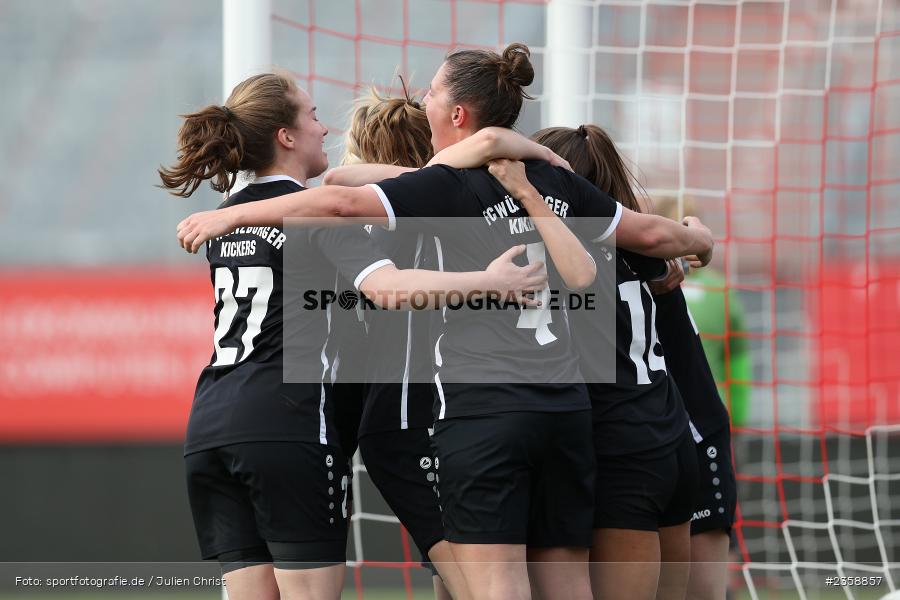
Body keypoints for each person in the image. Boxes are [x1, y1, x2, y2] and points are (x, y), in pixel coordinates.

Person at [175, 44, 714, 600]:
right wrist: (697, 238)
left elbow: (349, 194)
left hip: (405, 413)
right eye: (312, 116)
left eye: (432, 93)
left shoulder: (427, 193)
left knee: (487, 585)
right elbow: (633, 246)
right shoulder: (549, 185)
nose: (323, 126)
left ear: (457, 115)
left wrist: (231, 213)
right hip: (551, 410)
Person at [159, 72, 548, 600]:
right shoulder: (319, 216)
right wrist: (491, 282)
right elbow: (387, 288)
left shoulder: (224, 218)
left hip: (209, 424)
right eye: (314, 116)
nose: (324, 128)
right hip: (289, 420)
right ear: (286, 137)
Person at [487, 125, 702, 600]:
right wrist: (697, 240)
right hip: (671, 438)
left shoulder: (565, 260)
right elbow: (674, 260)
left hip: (621, 451)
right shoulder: (643, 250)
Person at [653, 196, 740, 600]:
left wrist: (740, 406)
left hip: (694, 424)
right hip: (642, 432)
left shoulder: (714, 287)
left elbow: (737, 352)